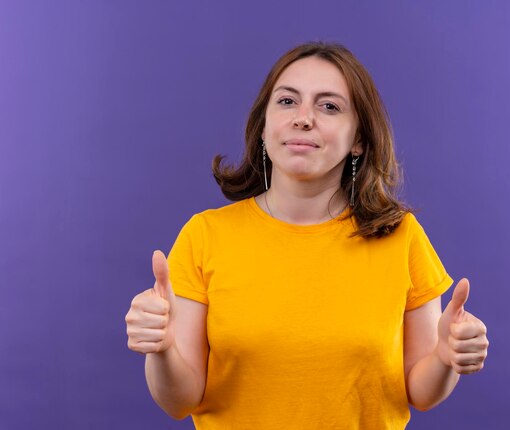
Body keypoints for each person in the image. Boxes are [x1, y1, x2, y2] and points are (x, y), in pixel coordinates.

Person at [125, 42, 489, 429]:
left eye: (329, 106)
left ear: (359, 140)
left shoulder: (400, 237)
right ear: (264, 127)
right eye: (287, 102)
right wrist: (161, 350)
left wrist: (447, 359)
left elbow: (421, 391)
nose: (303, 118)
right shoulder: (206, 235)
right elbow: (179, 401)